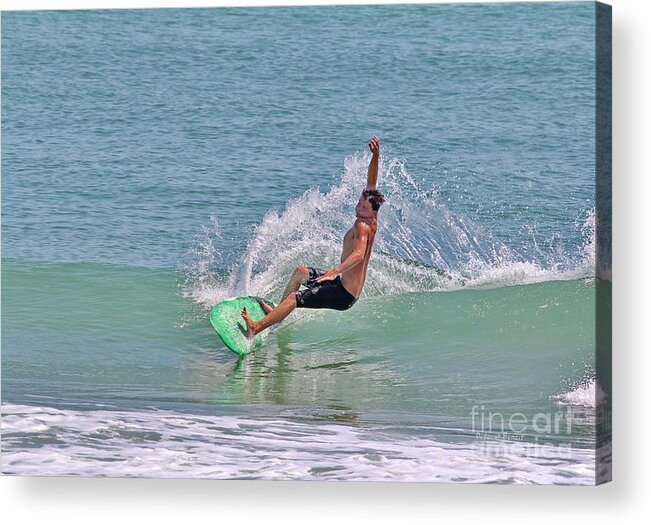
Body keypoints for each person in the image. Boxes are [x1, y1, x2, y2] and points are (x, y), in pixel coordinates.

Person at [241, 136, 386, 338]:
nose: (359, 207)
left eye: (363, 207)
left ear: (372, 211)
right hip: (342, 284)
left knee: (295, 298)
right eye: (359, 202)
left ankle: (256, 328)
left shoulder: (362, 225)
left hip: (343, 294)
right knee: (300, 272)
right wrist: (376, 156)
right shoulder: (372, 211)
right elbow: (371, 183)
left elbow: (360, 254)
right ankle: (276, 314)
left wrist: (333, 271)